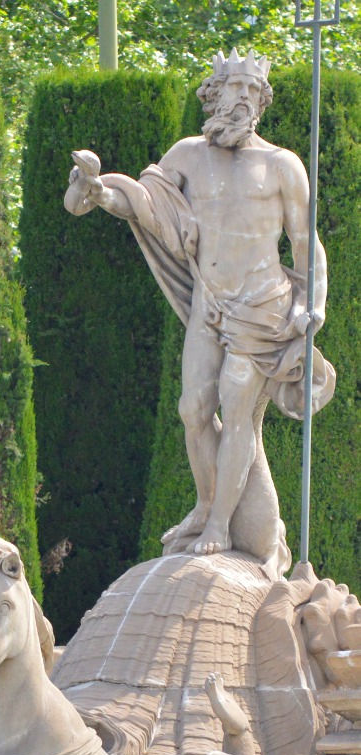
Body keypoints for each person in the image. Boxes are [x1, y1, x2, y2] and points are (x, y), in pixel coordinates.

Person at [64, 49, 335, 564]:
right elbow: (148, 208)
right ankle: (207, 502)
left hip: (263, 309)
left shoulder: (281, 166)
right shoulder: (187, 156)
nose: (242, 102)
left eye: (252, 93)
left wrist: (312, 306)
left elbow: (307, 245)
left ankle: (218, 524)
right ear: (212, 94)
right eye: (233, 91)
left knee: (236, 414)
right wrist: (101, 192)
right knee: (193, 410)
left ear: (261, 102)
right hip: (210, 307)